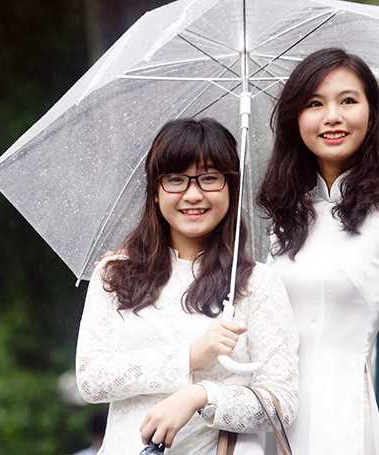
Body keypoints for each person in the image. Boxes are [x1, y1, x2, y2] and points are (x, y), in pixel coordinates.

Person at [76, 118, 298, 455]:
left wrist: (201, 396)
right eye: (176, 180)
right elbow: (91, 380)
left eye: (209, 178)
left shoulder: (257, 283)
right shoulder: (115, 274)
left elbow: (281, 404)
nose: (193, 195)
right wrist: (190, 357)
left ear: (231, 188)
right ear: (155, 191)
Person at [257, 48, 379, 454]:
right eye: (314, 104)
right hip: (270, 419)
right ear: (295, 120)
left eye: (348, 100)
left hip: (342, 422)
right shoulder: (285, 218)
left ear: (372, 114)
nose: (332, 116)